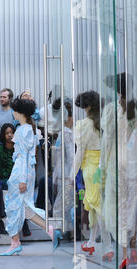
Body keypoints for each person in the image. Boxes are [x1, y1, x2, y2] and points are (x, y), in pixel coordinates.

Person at [101, 73, 137, 269]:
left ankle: (125, 252)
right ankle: (132, 246)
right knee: (132, 207)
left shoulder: (112, 110)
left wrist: (102, 165)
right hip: (136, 163)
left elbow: (107, 140)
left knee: (117, 208)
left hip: (117, 163)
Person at [0, 98, 54, 256]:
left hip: (21, 173)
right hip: (25, 172)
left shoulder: (24, 130)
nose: (13, 112)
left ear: (20, 113)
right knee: (23, 207)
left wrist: (22, 179)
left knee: (16, 206)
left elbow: (24, 156)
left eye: (14, 110)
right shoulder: (28, 129)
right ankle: (17, 241)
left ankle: (18, 241)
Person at [73, 91, 110, 260]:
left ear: (87, 107)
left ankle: (108, 245)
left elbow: (80, 152)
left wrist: (71, 174)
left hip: (90, 169)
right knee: (96, 205)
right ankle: (92, 241)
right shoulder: (104, 122)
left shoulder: (83, 125)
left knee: (97, 205)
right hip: (104, 167)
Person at [51, 99, 74, 249]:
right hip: (62, 177)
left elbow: (70, 157)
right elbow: (63, 157)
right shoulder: (63, 133)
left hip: (65, 177)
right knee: (62, 207)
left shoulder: (65, 133)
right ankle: (60, 233)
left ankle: (60, 233)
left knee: (61, 207)